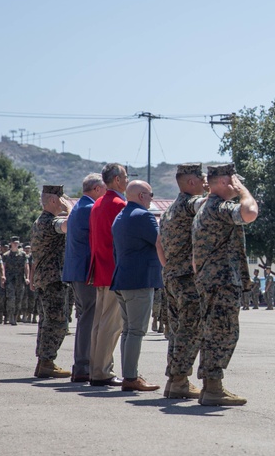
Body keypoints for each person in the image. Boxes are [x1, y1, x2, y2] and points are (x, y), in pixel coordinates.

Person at [192, 164, 259, 406]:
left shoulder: (204, 209)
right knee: (223, 333)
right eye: (233, 181)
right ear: (222, 183)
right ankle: (212, 388)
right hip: (221, 282)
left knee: (214, 333)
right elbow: (250, 213)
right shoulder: (219, 207)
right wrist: (244, 192)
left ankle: (211, 386)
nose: (236, 185)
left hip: (213, 281)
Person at [159, 163, 207, 399]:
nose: (206, 184)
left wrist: (168, 266)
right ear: (191, 182)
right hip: (187, 279)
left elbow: (158, 243)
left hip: (172, 276)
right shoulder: (189, 204)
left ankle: (175, 380)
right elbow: (204, 204)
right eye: (202, 180)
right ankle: (179, 380)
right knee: (190, 331)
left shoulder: (169, 209)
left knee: (177, 331)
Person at [111, 180, 164, 392]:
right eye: (151, 194)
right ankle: (131, 378)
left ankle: (129, 375)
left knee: (128, 330)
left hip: (123, 279)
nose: (152, 198)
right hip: (139, 281)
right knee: (136, 331)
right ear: (142, 195)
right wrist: (168, 266)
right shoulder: (143, 216)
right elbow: (160, 242)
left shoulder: (120, 217)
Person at [87, 163, 129, 387]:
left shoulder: (98, 203)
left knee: (99, 324)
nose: (127, 180)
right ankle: (102, 371)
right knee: (111, 326)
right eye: (125, 176)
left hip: (100, 269)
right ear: (117, 180)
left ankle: (97, 368)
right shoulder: (119, 204)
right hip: (114, 270)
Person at [61, 173, 106, 383]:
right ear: (97, 189)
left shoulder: (79, 206)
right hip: (85, 271)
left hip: (76, 271)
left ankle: (82, 365)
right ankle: (82, 366)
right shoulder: (90, 208)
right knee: (89, 316)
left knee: (85, 316)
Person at [29, 185, 72, 378]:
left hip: (44, 278)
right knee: (58, 322)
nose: (64, 201)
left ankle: (44, 362)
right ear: (54, 201)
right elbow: (68, 226)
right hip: (53, 278)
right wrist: (70, 209)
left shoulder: (39, 221)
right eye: (62, 198)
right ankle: (46, 361)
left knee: (46, 322)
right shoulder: (49, 222)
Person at [3, 237, 28, 325]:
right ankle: (10, 316)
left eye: (17, 243)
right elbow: (4, 267)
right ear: (11, 243)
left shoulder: (23, 254)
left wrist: (27, 277)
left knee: (18, 299)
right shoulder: (6, 255)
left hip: (20, 280)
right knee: (11, 298)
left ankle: (15, 315)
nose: (15, 244)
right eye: (14, 243)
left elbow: (26, 266)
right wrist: (3, 278)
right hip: (10, 280)